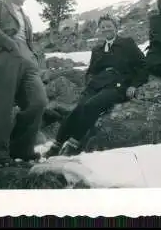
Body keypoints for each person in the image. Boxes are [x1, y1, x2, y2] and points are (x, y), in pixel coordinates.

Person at [44, 14, 149, 158]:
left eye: (109, 26)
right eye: (103, 27)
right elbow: (91, 71)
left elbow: (143, 65)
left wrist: (134, 85)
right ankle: (56, 145)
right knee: (78, 109)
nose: (106, 29)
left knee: (91, 105)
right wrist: (89, 84)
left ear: (116, 27)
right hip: (96, 85)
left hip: (117, 85)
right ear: (99, 29)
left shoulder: (127, 43)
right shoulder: (97, 49)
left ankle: (74, 142)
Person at [0, 0, 48, 168]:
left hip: (27, 60)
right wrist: (11, 45)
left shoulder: (25, 16)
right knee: (2, 104)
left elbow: (29, 41)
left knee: (38, 101)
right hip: (3, 55)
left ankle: (21, 149)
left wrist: (33, 59)